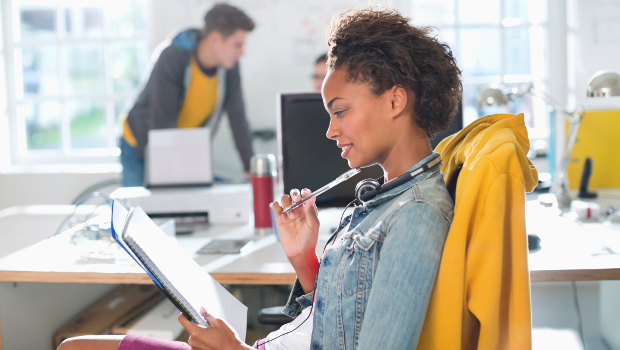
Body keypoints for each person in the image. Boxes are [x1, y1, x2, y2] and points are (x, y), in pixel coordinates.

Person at [57, 6, 462, 350]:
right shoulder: (387, 197)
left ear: (395, 100)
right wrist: (304, 259)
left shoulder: (416, 215)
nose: (330, 130)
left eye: (339, 111)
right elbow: (332, 323)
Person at [120, 3, 255, 187]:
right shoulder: (173, 56)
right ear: (215, 39)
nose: (242, 52)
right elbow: (163, 122)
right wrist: (179, 168)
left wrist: (252, 169)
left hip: (177, 146)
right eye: (237, 45)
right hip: (140, 144)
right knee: (141, 212)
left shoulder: (229, 67)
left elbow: (238, 119)